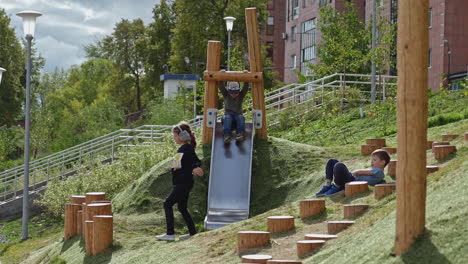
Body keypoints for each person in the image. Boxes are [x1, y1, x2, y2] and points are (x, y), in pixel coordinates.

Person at [156, 122, 204, 241]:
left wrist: (196, 167)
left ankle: (170, 233)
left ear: (182, 136)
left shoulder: (186, 148)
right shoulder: (183, 148)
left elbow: (195, 160)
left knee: (167, 204)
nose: (174, 138)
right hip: (182, 182)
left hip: (183, 183)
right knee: (182, 207)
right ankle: (192, 232)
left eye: (175, 135)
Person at [315, 149, 391, 196]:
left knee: (339, 165)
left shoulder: (379, 171)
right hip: (351, 179)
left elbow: (362, 172)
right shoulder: (377, 172)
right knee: (332, 161)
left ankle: (337, 187)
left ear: (382, 162)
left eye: (374, 160)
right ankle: (328, 185)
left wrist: (353, 172)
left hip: (353, 181)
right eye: (372, 160)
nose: (372, 162)